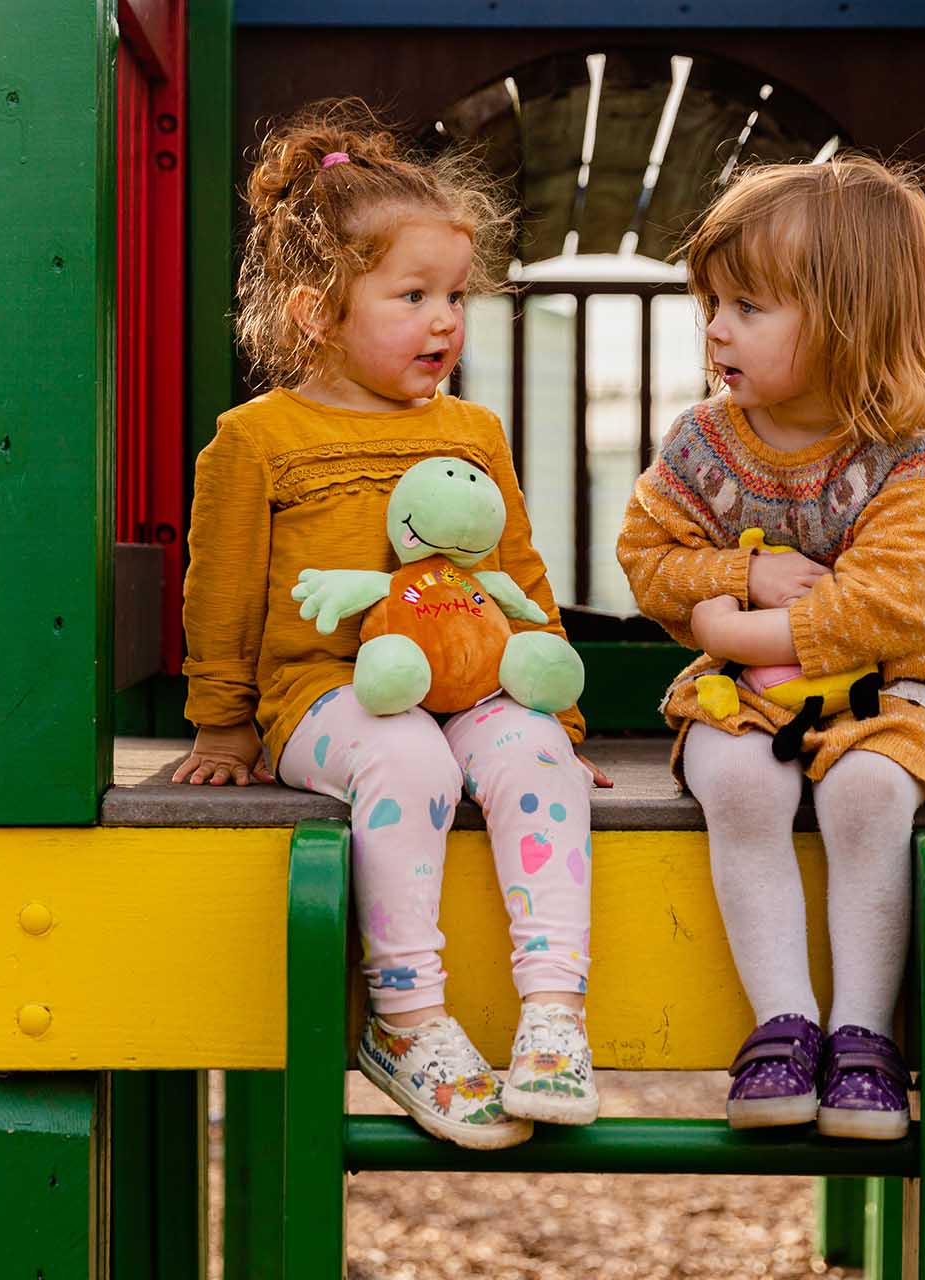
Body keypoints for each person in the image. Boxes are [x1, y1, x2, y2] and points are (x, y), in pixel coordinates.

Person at [173, 102, 610, 1151]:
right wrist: (224, 725)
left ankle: (554, 1009)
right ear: (319, 310)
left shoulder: (471, 430)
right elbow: (220, 590)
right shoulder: (258, 439)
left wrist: (565, 715)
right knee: (406, 755)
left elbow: (516, 575)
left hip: (472, 680)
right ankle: (408, 1019)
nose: (445, 320)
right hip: (324, 698)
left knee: (531, 748)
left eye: (455, 295)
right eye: (412, 295)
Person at [617, 155, 925, 1139]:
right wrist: (732, 584)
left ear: (845, 321)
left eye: (747, 306)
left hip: (892, 686)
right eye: (713, 301)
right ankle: (783, 1023)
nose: (715, 327)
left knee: (869, 787)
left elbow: (896, 602)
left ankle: (864, 1034)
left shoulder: (909, 450)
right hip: (745, 693)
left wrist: (735, 627)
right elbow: (647, 550)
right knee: (739, 782)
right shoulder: (706, 439)